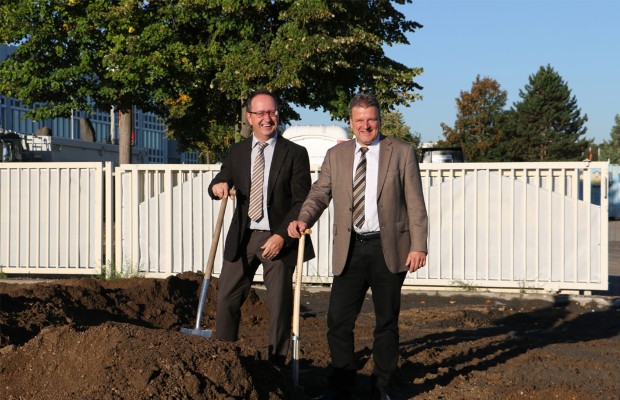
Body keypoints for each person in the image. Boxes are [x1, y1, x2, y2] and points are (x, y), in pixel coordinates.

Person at [288, 92, 428, 400]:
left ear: (380, 120)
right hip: (349, 248)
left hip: (388, 249)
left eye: (372, 119)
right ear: (350, 122)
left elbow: (416, 203)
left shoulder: (402, 152)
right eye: (360, 120)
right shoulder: (336, 156)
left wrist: (419, 245)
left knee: (386, 323)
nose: (366, 126)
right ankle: (341, 388)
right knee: (338, 321)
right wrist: (303, 218)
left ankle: (382, 389)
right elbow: (319, 193)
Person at [208, 89, 315, 366]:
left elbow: (301, 200)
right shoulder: (238, 151)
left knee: (279, 304)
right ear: (249, 117)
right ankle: (225, 359)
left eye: (272, 112)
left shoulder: (295, 153)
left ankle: (277, 364)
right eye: (261, 113)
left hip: (277, 237)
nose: (268, 118)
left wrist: (281, 236)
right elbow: (223, 176)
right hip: (243, 236)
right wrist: (217, 185)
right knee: (226, 299)